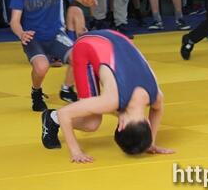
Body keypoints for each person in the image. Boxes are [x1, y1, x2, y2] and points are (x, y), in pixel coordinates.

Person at [39, 29, 174, 163]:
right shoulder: (112, 100)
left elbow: (157, 109)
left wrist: (150, 143)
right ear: (120, 126)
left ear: (148, 124)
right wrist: (76, 152)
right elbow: (64, 113)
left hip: (115, 36)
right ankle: (52, 118)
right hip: (86, 46)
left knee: (113, 108)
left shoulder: (155, 95)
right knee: (91, 123)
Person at [10, 0, 98, 112]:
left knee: (79, 56)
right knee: (42, 66)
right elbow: (14, 21)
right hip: (33, 37)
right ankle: (36, 92)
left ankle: (66, 89)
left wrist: (88, 0)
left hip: (55, 34)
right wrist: (21, 33)